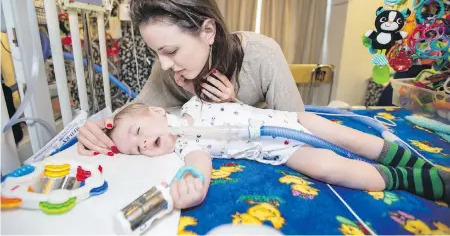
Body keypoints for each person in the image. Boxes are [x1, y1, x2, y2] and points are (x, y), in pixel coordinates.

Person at [77, 0, 303, 156]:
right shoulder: (167, 68)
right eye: (157, 53)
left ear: (207, 31)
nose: (164, 65)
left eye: (171, 51)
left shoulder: (263, 55)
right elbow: (136, 111)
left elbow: (299, 129)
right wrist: (100, 128)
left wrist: (233, 105)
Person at [105, 96, 449, 209]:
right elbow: (200, 161)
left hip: (290, 120)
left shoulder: (194, 102)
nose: (143, 144)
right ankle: (410, 180)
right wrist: (195, 181)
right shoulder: (184, 146)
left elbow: (231, 97)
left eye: (138, 133)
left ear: (157, 112)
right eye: (136, 149)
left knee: (354, 140)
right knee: (330, 169)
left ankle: (416, 162)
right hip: (277, 152)